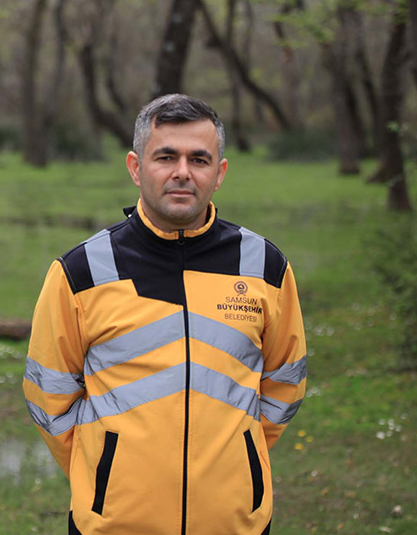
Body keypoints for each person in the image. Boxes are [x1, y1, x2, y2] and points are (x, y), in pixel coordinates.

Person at [23, 94, 307, 534]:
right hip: (113, 526)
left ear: (220, 173)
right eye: (166, 157)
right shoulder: (82, 271)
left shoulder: (263, 267)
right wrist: (104, 476)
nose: (182, 172)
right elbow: (49, 394)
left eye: (199, 159)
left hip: (234, 523)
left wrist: (242, 457)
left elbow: (285, 381)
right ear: (136, 168)